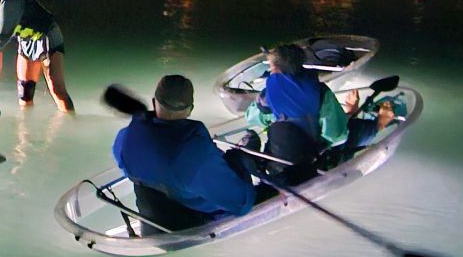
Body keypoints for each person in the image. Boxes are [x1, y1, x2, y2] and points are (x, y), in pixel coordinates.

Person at [112, 75, 255, 235]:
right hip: (193, 227)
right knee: (262, 191)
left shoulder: (123, 139)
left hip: (151, 223)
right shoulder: (195, 157)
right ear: (190, 110)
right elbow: (241, 203)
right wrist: (241, 161)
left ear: (154, 102)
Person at [242, 43, 351, 185]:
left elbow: (251, 117)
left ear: (275, 68)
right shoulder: (321, 91)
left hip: (275, 165)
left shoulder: (267, 95)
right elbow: (337, 136)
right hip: (311, 165)